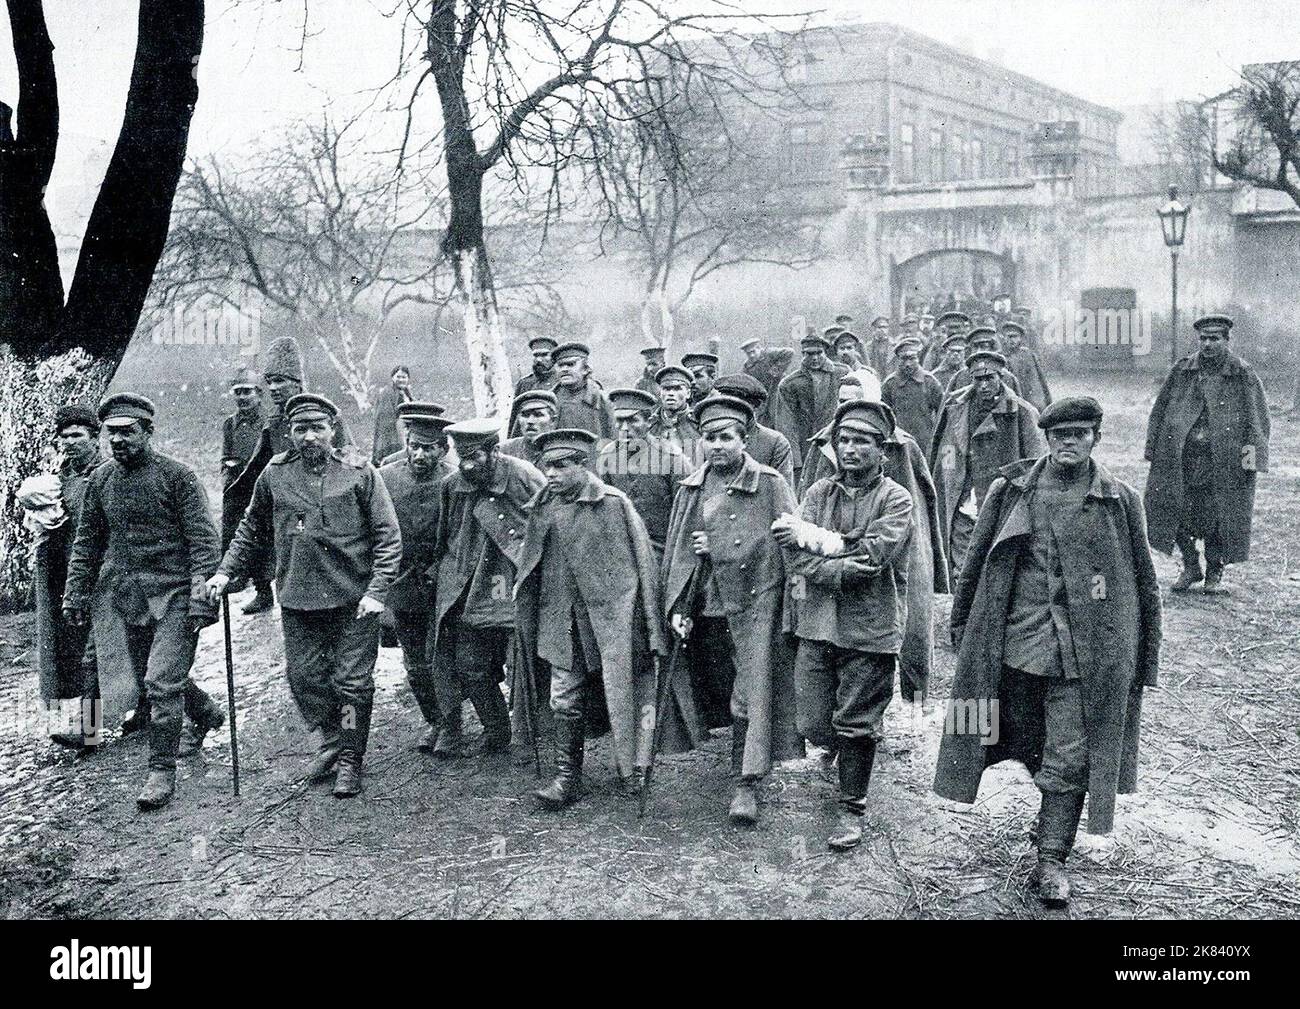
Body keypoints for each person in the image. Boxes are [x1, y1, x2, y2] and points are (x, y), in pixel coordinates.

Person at [935, 397, 1162, 908]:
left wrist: (1145, 658)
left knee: (1072, 752)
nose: (1069, 442)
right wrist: (961, 628)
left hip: (1087, 653)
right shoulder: (1010, 490)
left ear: (1095, 439)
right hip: (1013, 645)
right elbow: (975, 565)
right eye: (1060, 434)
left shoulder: (1119, 500)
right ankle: (1032, 821)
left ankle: (1052, 857)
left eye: (1080, 434)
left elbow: (1145, 585)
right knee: (987, 730)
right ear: (1047, 437)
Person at [209, 394, 401, 798]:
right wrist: (226, 571)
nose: (309, 436)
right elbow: (250, 528)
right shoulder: (275, 475)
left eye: (318, 428)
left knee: (352, 684)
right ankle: (333, 738)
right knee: (305, 679)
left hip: (354, 599)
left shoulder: (360, 473)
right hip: (299, 597)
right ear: (290, 433)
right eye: (300, 429)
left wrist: (378, 592)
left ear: (333, 430)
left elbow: (387, 537)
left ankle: (350, 757)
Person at [64, 394, 224, 810]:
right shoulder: (101, 480)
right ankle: (205, 711)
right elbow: (87, 543)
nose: (118, 441)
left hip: (175, 596)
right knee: (155, 678)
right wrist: (76, 591)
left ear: (147, 432)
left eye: (128, 432)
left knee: (159, 682)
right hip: (131, 599)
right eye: (111, 433)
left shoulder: (178, 477)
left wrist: (202, 596)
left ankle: (161, 771)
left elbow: (204, 543)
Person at [659, 395, 804, 825]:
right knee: (716, 683)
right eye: (709, 438)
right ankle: (728, 755)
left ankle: (746, 782)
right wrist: (677, 600)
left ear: (744, 440)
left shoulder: (771, 483)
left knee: (750, 690)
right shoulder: (692, 488)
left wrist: (719, 544)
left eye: (726, 437)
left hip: (756, 600)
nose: (717, 445)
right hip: (707, 603)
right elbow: (679, 553)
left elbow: (787, 541)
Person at [776, 399, 913, 851]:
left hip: (869, 629)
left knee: (855, 722)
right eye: (844, 440)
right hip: (816, 625)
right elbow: (793, 555)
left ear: (882, 450)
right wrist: (827, 552)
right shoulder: (818, 493)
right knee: (814, 719)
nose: (850, 449)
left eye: (862, 441)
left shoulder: (895, 498)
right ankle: (838, 751)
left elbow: (873, 559)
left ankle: (852, 808)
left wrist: (820, 547)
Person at [515, 429, 667, 810]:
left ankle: (634, 768)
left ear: (583, 464)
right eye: (548, 466)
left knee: (626, 690)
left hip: (611, 618)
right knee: (563, 698)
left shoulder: (613, 504)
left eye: (562, 466)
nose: (552, 474)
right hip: (561, 618)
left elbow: (643, 567)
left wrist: (648, 623)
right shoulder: (542, 506)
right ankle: (567, 777)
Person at [428, 418, 544, 758]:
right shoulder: (452, 485)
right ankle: (496, 728)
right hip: (467, 586)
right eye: (460, 455)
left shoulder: (523, 476)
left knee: (521, 663)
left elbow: (545, 528)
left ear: (494, 451)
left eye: (475, 456)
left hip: (510, 583)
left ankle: (528, 734)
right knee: (469, 664)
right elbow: (445, 537)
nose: (466, 464)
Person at [222, 336, 350, 615]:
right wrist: (234, 494)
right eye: (268, 382)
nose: (272, 388)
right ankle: (263, 591)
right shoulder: (275, 421)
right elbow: (257, 469)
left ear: (297, 382)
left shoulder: (327, 416)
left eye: (279, 380)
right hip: (290, 508)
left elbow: (349, 462)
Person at [1143, 314, 1270, 593]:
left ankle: (1214, 570)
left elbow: (1256, 418)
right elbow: (1160, 409)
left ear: (1226, 341)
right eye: (1203, 338)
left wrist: (1251, 460)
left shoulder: (1242, 372)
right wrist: (1153, 448)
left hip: (1224, 460)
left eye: (1214, 338)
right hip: (1180, 457)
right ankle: (1190, 565)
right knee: (1168, 507)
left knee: (1218, 514)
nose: (1208, 344)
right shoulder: (1182, 370)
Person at [18, 404, 104, 748]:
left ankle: (89, 731)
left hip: (106, 573)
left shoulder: (107, 472)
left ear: (95, 438)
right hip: (72, 574)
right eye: (63, 437)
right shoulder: (60, 477)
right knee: (86, 650)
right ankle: (139, 711)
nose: (68, 442)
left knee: (98, 654)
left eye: (76, 435)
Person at [378, 403, 455, 751]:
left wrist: (440, 569)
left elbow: (459, 535)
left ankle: (451, 723)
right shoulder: (387, 477)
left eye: (429, 448)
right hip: (403, 584)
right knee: (415, 663)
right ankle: (435, 720)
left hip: (443, 584)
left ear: (443, 449)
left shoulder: (453, 482)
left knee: (444, 657)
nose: (420, 454)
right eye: (414, 446)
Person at [930, 350, 1044, 579]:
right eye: (978, 379)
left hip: (1000, 495)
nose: (983, 385)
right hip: (964, 492)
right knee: (960, 556)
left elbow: (1034, 460)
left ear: (1000, 377)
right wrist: (949, 474)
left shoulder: (1020, 411)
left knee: (997, 556)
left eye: (989, 378)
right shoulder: (956, 405)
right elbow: (946, 446)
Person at [597, 388, 690, 556]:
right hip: (623, 549)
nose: (625, 428)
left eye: (633, 420)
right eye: (619, 421)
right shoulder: (608, 455)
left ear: (649, 422)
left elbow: (686, 514)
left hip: (662, 550)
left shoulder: (672, 458)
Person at [220, 365, 273, 612]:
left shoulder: (269, 422)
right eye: (238, 392)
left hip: (264, 486)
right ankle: (246, 580)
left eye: (247, 392)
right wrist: (226, 477)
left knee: (267, 539)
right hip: (239, 488)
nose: (242, 397)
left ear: (259, 394)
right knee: (241, 534)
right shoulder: (230, 424)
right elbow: (226, 455)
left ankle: (268, 590)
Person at [774, 332, 850, 485]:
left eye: (818, 353)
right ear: (803, 354)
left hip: (838, 444)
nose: (814, 358)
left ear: (825, 352)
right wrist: (795, 460)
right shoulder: (790, 383)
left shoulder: (842, 373)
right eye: (809, 354)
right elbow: (786, 423)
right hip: (806, 447)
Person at [712, 373, 796, 489]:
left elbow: (783, 493)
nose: (731, 412)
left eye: (739, 407)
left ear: (755, 407)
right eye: (726, 405)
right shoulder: (709, 439)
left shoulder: (775, 443)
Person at [882, 338, 945, 451]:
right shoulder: (890, 384)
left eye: (912, 358)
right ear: (897, 359)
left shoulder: (930, 382)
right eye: (903, 359)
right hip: (898, 442)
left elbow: (942, 413)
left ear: (918, 358)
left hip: (925, 441)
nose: (908, 364)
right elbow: (884, 416)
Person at [551, 342, 617, 439]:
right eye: (560, 365)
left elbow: (614, 436)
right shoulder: (550, 399)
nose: (564, 369)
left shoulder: (601, 400)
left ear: (585, 369)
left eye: (570, 364)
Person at [940, 327, 1022, 398]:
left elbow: (1020, 408)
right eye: (975, 347)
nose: (979, 351)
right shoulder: (960, 376)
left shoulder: (1008, 378)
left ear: (993, 349)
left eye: (984, 346)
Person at [649, 364, 702, 465]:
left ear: (688, 393)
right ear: (660, 393)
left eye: (677, 388)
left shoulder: (699, 423)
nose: (671, 393)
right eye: (666, 389)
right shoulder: (650, 425)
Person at [740, 337, 796, 426]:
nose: (751, 355)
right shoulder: (747, 366)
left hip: (778, 390)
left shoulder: (769, 353)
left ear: (759, 348)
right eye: (748, 353)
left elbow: (790, 352)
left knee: (780, 416)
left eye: (753, 351)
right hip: (762, 396)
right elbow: (745, 382)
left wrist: (777, 369)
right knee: (763, 419)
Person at [1001, 321, 1052, 411]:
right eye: (1009, 337)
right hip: (1012, 401)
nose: (1012, 340)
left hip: (1032, 400)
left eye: (1015, 337)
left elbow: (1041, 379)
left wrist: (1048, 401)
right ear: (1004, 338)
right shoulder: (1001, 358)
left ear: (1020, 338)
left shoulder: (1029, 355)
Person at [501, 389, 557, 469]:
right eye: (525, 415)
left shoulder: (562, 450)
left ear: (553, 421)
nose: (530, 421)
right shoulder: (505, 450)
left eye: (538, 415)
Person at [371, 364, 413, 466]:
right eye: (398, 377)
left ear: (408, 378)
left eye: (404, 377)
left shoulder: (406, 393)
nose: (401, 379)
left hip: (407, 431)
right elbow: (384, 418)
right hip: (393, 433)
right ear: (392, 377)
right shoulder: (387, 392)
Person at [928, 333, 968, 398]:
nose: (956, 355)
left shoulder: (969, 374)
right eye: (952, 351)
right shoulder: (936, 375)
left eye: (959, 351)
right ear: (946, 353)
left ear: (964, 353)